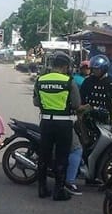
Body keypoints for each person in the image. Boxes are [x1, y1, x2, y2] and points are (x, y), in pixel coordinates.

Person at [33, 52, 81, 201]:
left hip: (46, 122)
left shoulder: (40, 80)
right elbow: (76, 104)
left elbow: (36, 102)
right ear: (65, 66)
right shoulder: (68, 81)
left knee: (44, 155)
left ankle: (42, 189)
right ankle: (58, 191)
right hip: (63, 123)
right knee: (62, 157)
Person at [79, 54, 112, 125]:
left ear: (104, 69)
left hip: (104, 117)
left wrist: (109, 112)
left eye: (97, 69)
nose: (95, 71)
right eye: (93, 69)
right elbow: (81, 96)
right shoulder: (88, 81)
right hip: (89, 115)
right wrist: (83, 109)